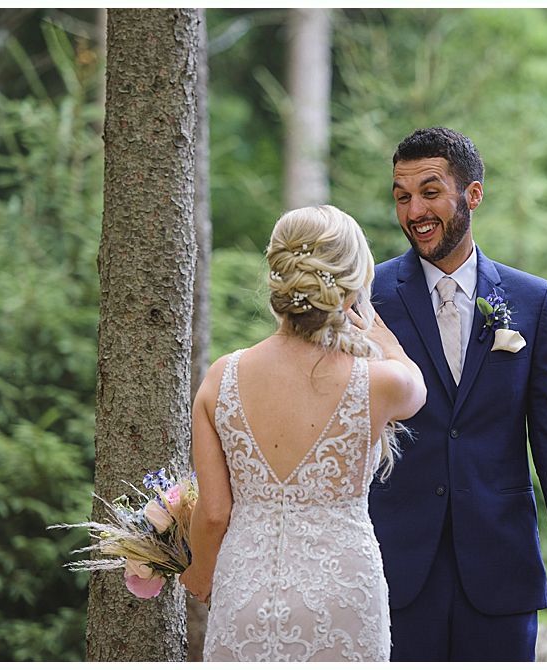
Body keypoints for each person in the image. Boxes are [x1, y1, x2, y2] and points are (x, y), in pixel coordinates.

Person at [368, 127, 547, 661]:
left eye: (430, 192)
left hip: (500, 566)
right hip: (393, 564)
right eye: (402, 196)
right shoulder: (369, 296)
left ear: (473, 194)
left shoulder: (532, 300)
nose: (414, 210)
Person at [179, 204, 426, 661]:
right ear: (349, 287)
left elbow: (213, 513)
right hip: (343, 596)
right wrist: (387, 342)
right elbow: (419, 391)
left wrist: (199, 573)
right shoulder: (380, 381)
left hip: (246, 592)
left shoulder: (221, 377)